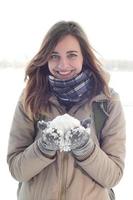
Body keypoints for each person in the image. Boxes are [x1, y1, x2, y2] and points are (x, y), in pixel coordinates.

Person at [7, 21, 126, 200]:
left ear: (83, 57)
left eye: (71, 55)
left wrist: (85, 148)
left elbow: (113, 176)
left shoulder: (107, 101)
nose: (63, 65)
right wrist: (44, 147)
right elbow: (17, 170)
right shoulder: (30, 99)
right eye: (54, 56)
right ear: (45, 58)